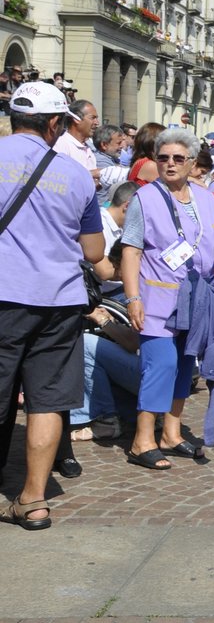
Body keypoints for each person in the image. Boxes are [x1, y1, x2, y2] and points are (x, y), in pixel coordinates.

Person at [0, 82, 104, 529]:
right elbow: (95, 250)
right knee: (45, 402)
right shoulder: (77, 173)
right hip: (60, 299)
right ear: (56, 123)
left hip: (5, 294)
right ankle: (34, 499)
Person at [121, 128, 214, 471]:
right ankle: (142, 439)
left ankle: (171, 432)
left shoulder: (205, 198)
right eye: (162, 157)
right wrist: (133, 297)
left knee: (185, 364)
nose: (170, 164)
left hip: (199, 298)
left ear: (192, 162)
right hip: (158, 298)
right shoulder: (145, 198)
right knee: (160, 364)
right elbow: (132, 251)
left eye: (178, 158)